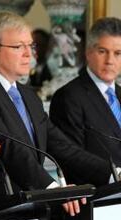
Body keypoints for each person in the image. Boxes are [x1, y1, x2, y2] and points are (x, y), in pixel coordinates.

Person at [0, 12, 112, 217]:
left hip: (29, 209)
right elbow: (8, 148)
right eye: (18, 47)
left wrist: (113, 173)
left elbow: (62, 146)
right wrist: (52, 189)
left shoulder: (27, 94)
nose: (29, 54)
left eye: (30, 46)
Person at [50, 17, 121, 185]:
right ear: (88, 52)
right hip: (97, 199)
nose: (110, 61)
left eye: (118, 53)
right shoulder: (68, 97)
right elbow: (71, 158)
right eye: (102, 51)